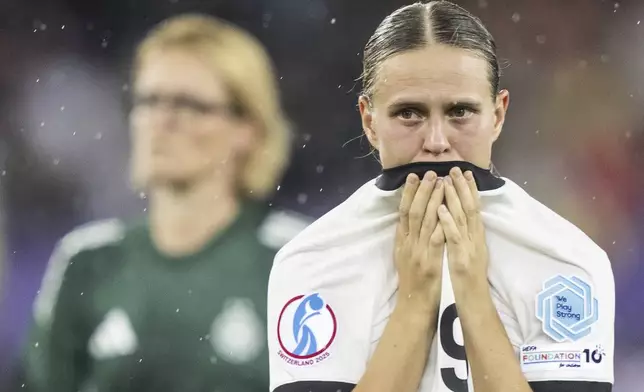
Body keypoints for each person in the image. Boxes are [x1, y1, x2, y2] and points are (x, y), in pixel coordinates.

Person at [267, 2, 614, 392]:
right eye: (409, 113)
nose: (436, 142)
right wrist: (415, 304)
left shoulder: (566, 262)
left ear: (497, 115)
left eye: (460, 111)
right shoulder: (312, 261)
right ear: (369, 121)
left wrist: (473, 295)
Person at [22, 14, 309, 392]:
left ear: (248, 129)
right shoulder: (86, 261)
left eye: (188, 104)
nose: (161, 120)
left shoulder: (297, 259)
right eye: (149, 100)